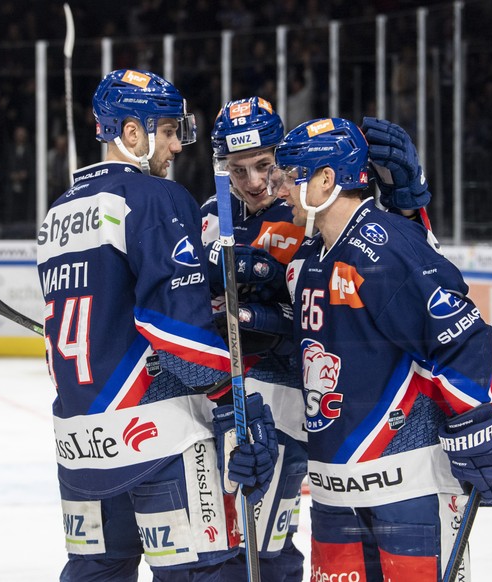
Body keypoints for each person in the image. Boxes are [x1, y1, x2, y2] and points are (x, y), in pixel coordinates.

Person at [36, 69, 278, 582]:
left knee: (97, 573)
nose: (175, 146)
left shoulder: (56, 215)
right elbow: (177, 330)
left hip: (79, 446)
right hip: (159, 436)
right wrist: (234, 399)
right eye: (167, 131)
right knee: (204, 574)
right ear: (131, 133)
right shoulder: (154, 199)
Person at [269, 118, 492, 581]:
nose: (278, 187)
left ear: (326, 180)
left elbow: (457, 336)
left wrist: (473, 429)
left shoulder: (381, 248)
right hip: (332, 491)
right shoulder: (307, 258)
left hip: (408, 488)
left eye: (290, 174)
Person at [200, 96, 308, 581]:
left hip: (285, 396)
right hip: (224, 396)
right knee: (228, 544)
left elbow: (321, 318)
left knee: (267, 549)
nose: (254, 183)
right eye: (237, 171)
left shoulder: (305, 210)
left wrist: (257, 313)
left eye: (264, 166)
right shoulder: (208, 214)